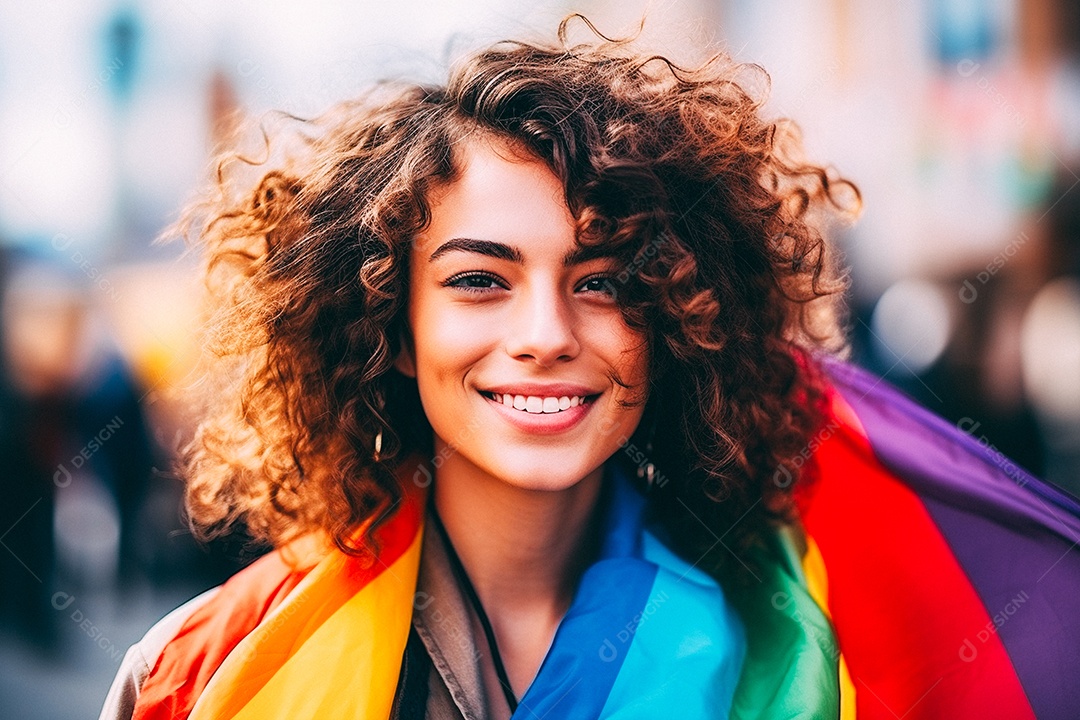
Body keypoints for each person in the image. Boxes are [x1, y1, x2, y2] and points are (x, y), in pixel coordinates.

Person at [100, 16, 1080, 720]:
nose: (545, 332)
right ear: (389, 324)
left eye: (603, 282)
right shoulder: (202, 678)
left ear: (678, 317)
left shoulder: (825, 648)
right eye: (480, 280)